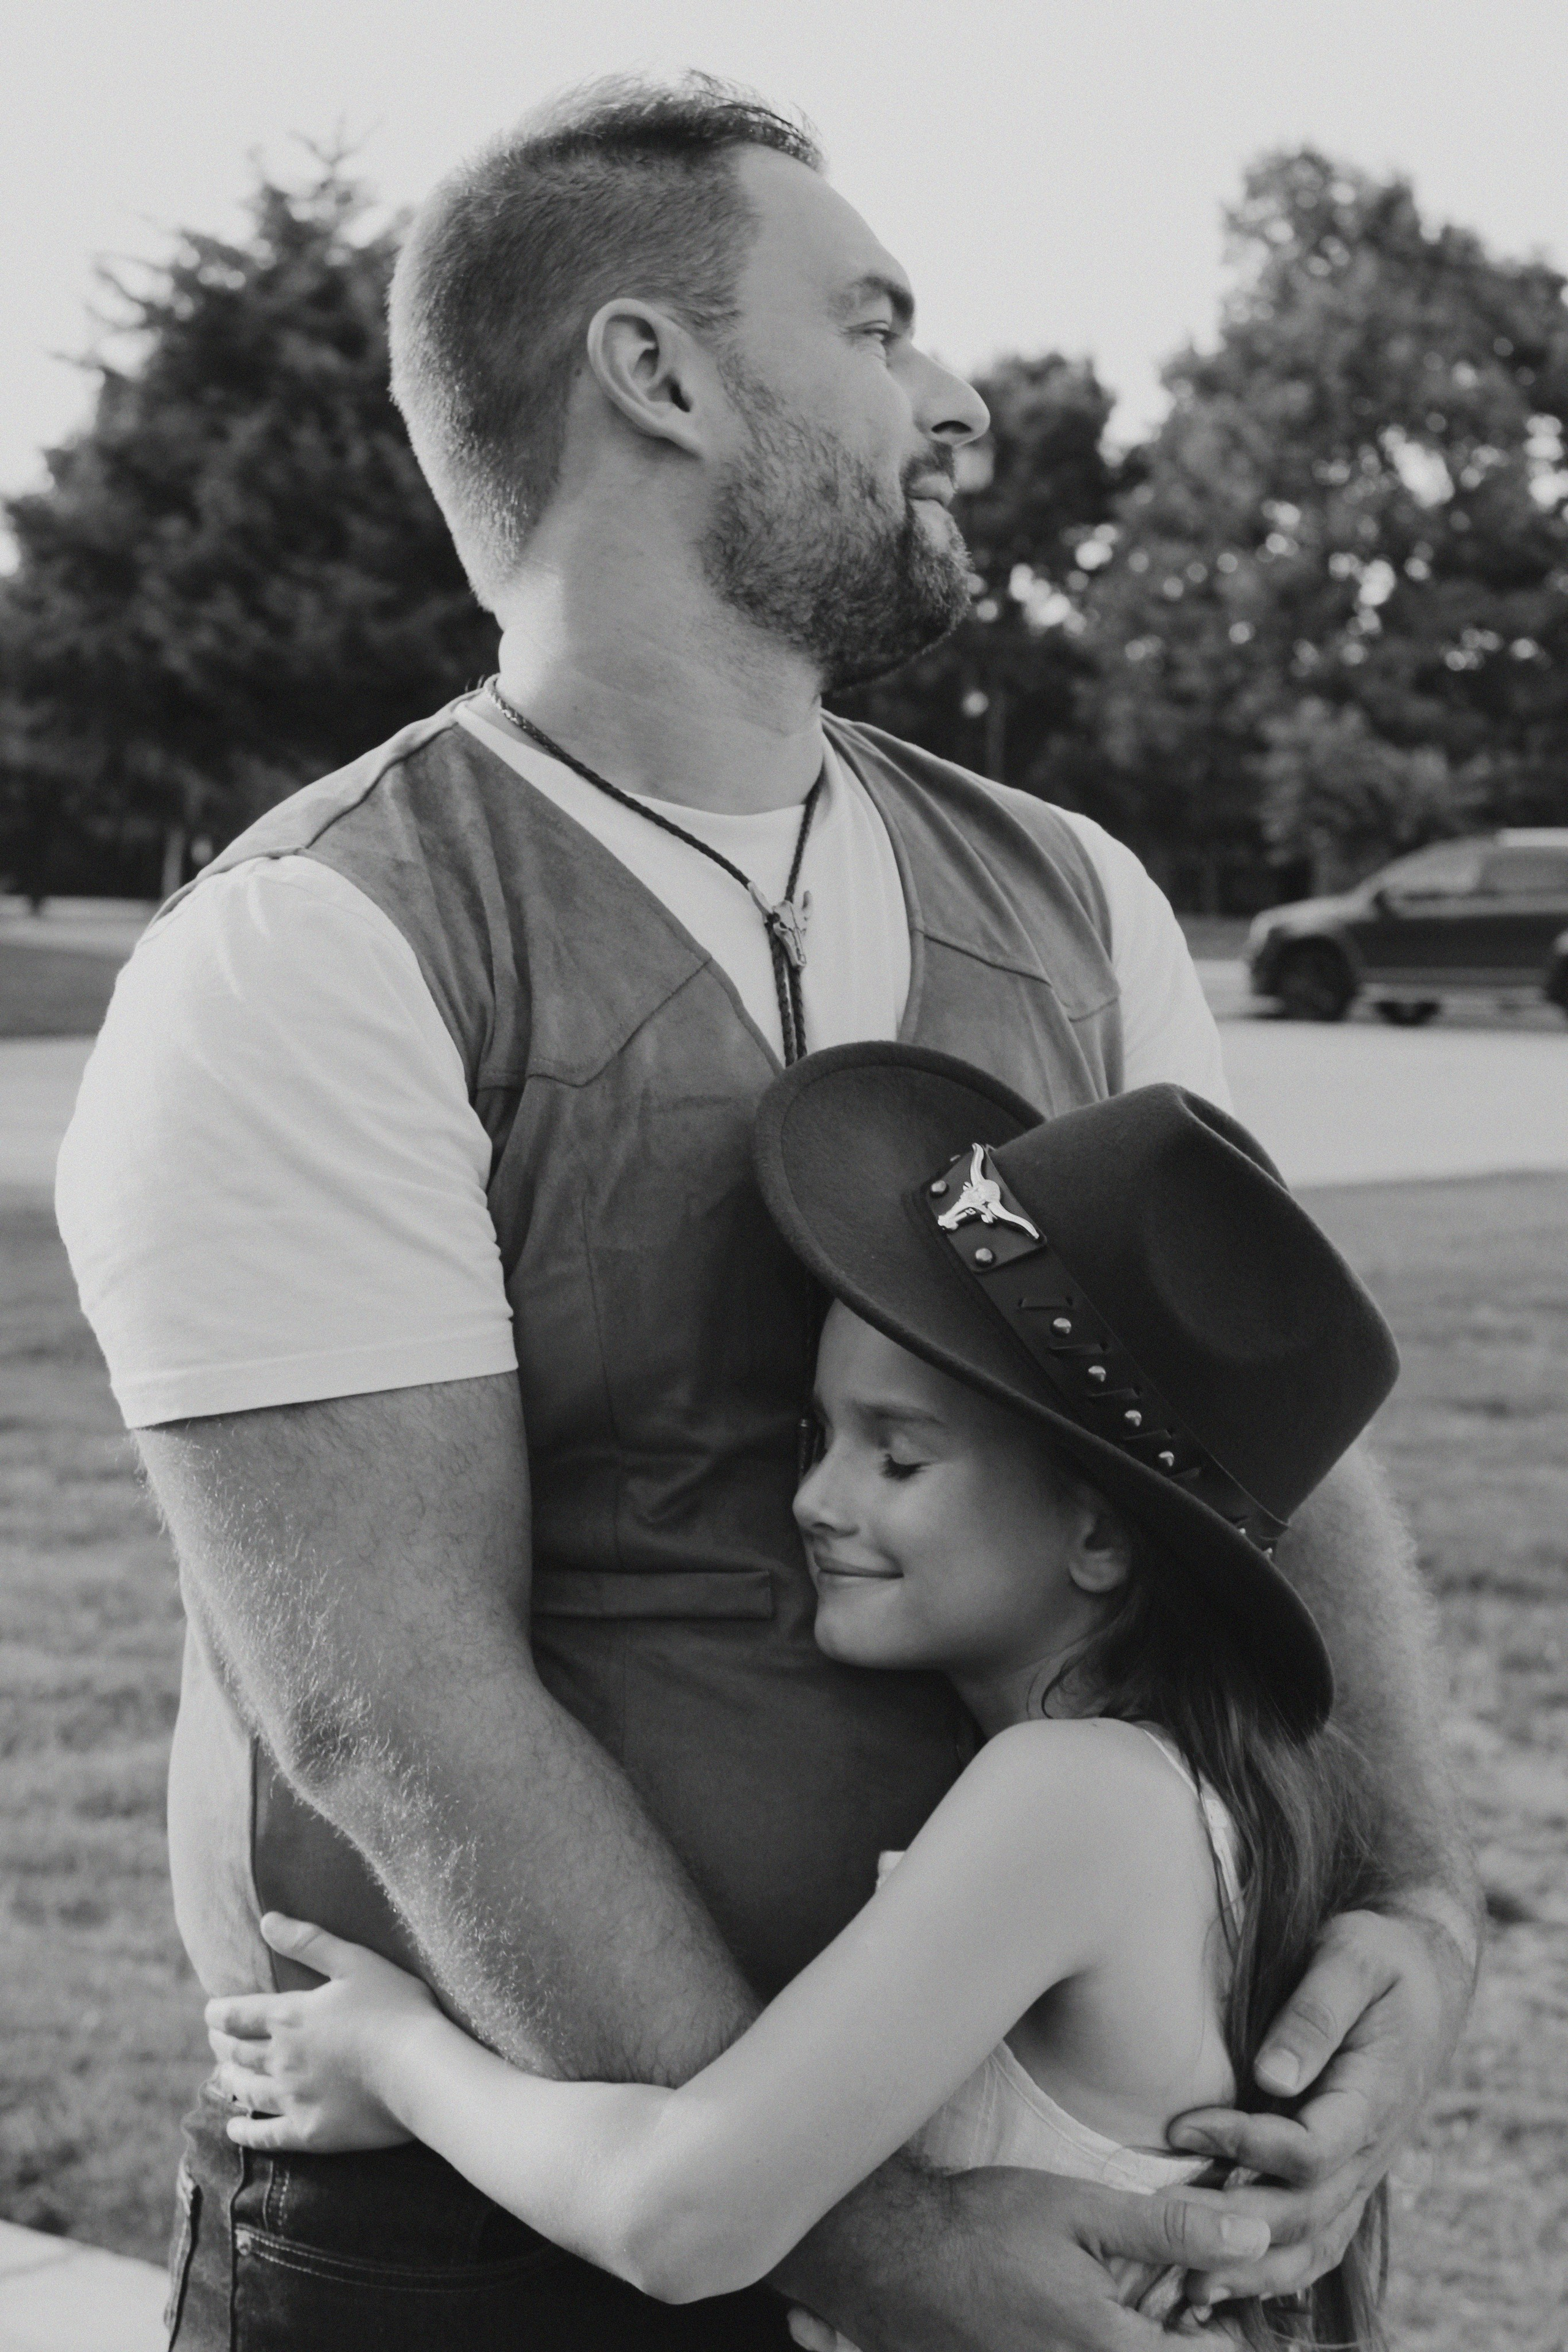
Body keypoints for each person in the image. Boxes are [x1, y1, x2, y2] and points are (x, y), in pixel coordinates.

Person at [56, 75, 1477, 2352]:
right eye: (883, 325)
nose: (962, 404)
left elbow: (1263, 1441)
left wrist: (1411, 1902)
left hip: (1086, 2161)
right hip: (528, 2230)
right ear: (660, 374)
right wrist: (876, 2253)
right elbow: (398, 1705)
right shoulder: (315, 950)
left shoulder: (1076, 898)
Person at [203, 1061, 1401, 2351]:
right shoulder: (1206, 1796)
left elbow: (679, 2220)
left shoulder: (1077, 1794)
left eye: (897, 1455)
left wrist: (397, 2058)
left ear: (1098, 1535)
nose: (816, 1502)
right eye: (813, 1437)